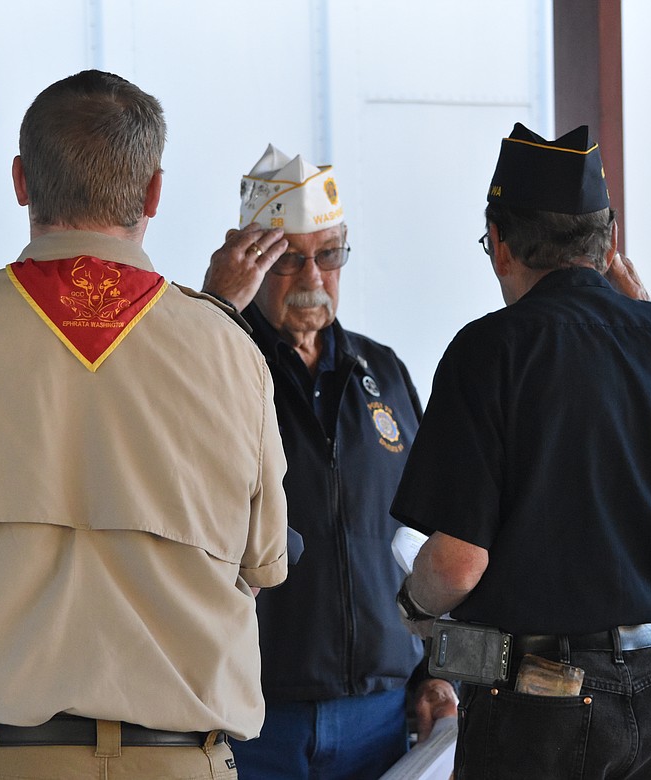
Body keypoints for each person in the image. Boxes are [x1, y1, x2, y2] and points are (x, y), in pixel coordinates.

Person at [0, 70, 289, 780]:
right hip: (174, 763)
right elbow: (263, 569)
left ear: (20, 181)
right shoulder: (232, 354)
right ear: (155, 191)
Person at [389, 123, 651, 779]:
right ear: (610, 242)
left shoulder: (488, 352)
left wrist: (413, 607)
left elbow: (456, 565)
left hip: (536, 706)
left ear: (502, 247)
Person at [201, 144, 457, 779]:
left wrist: (431, 673)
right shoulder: (213, 358)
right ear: (251, 261)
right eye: (288, 259)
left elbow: (420, 535)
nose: (313, 277)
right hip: (253, 709)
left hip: (378, 708)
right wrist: (212, 313)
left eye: (329, 254)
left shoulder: (384, 372)